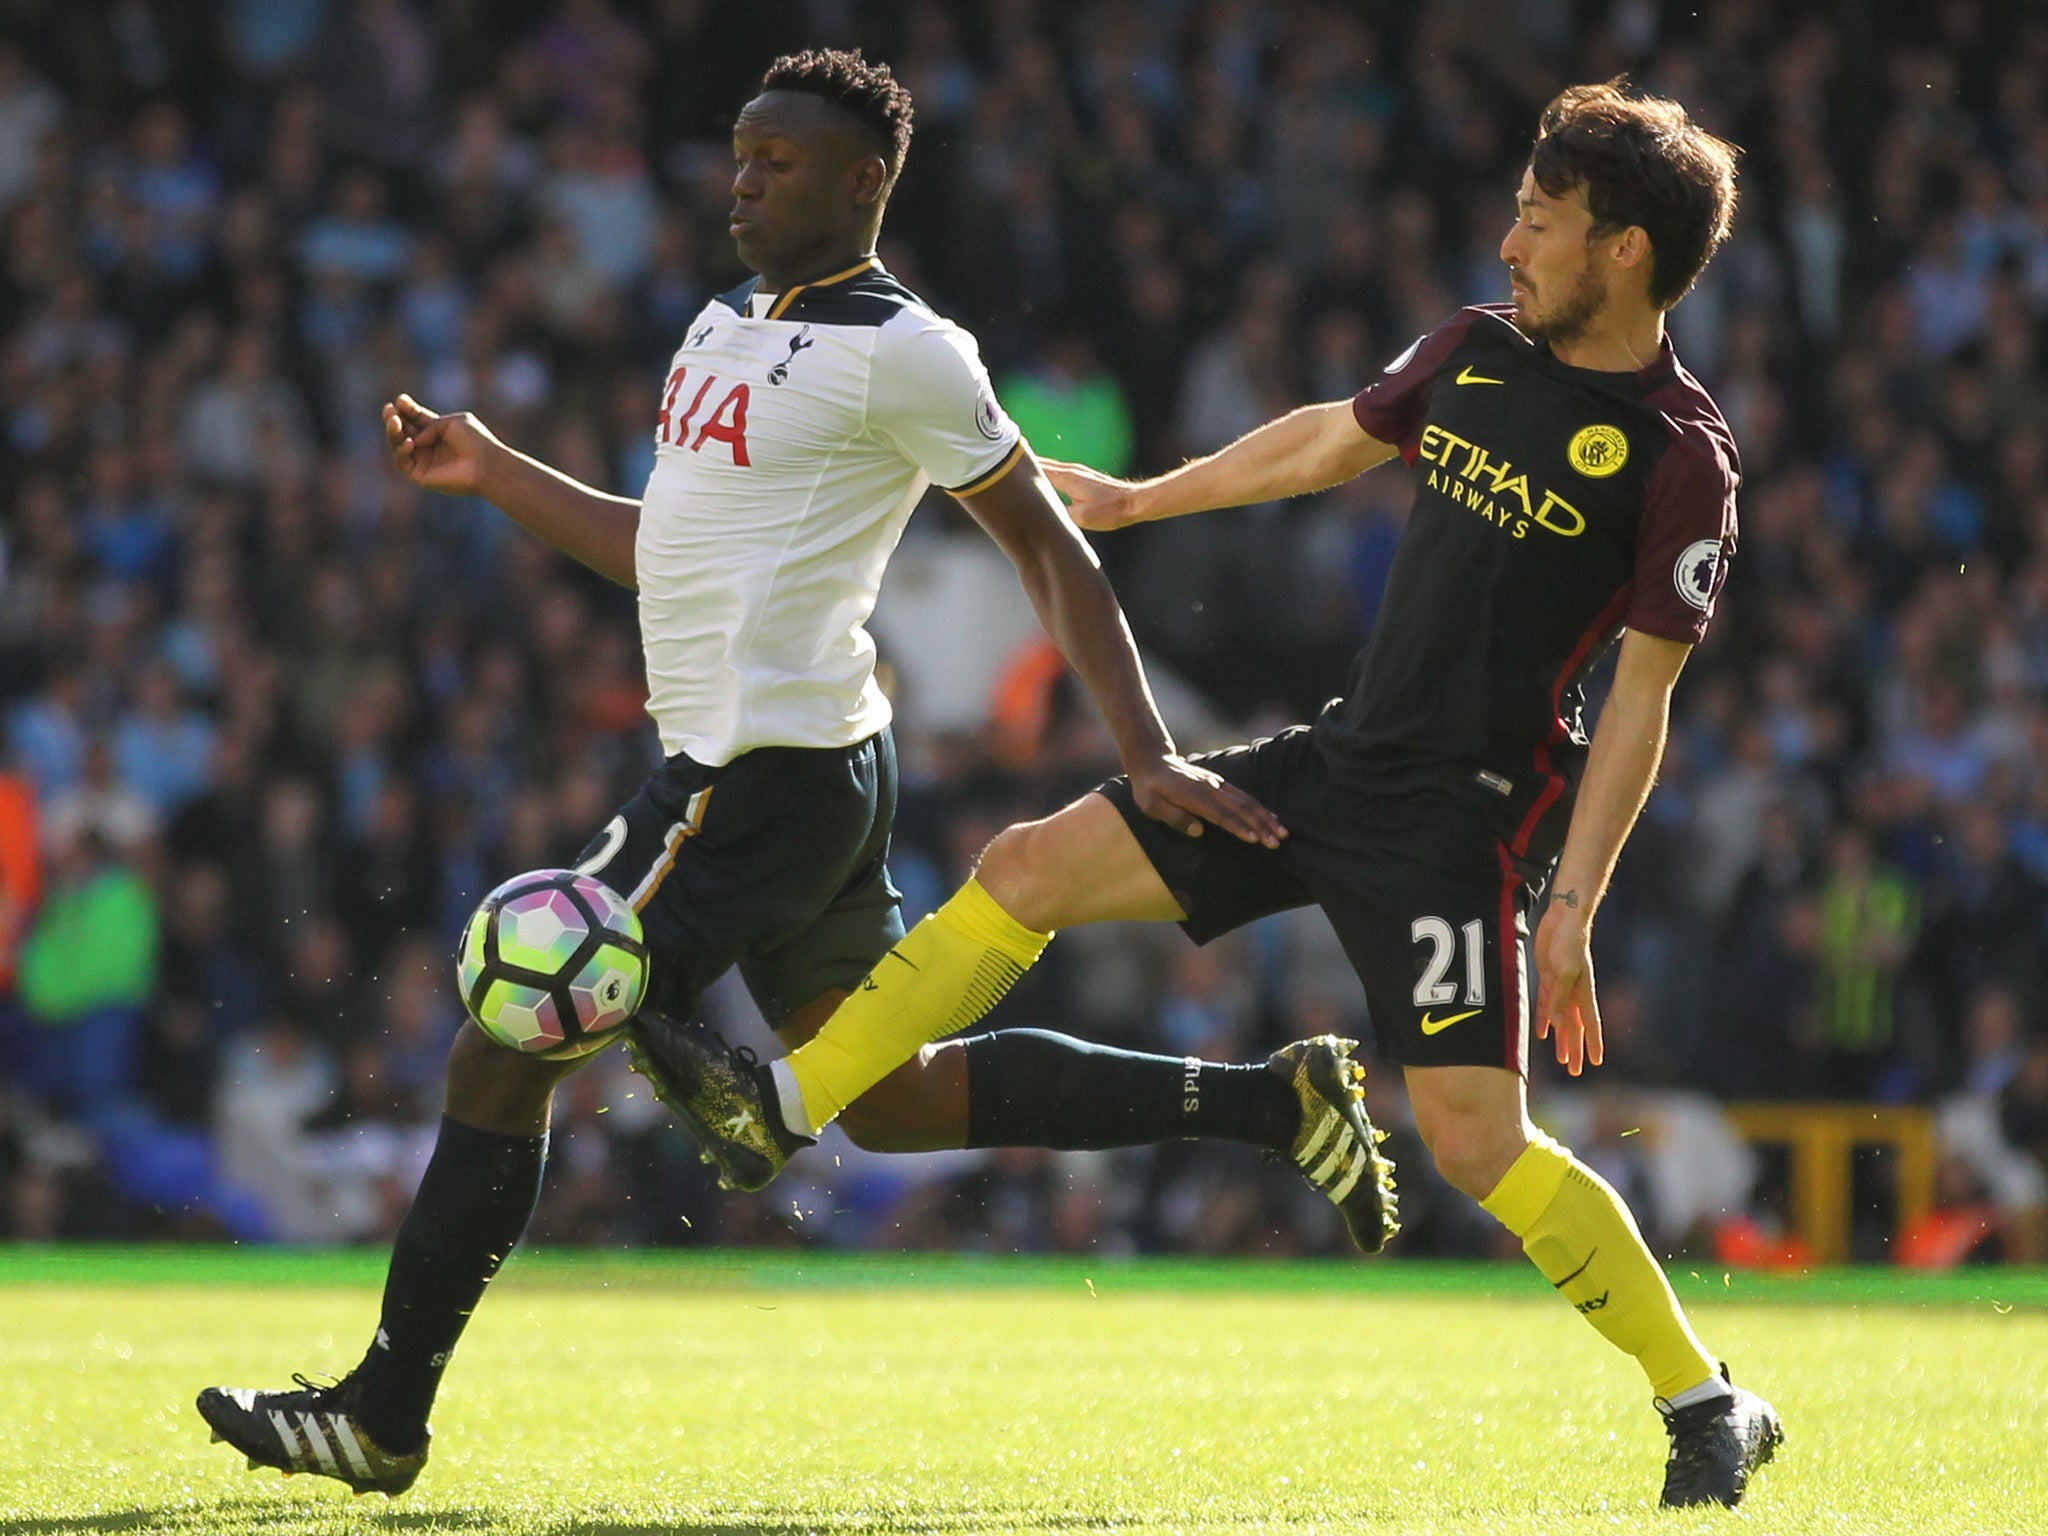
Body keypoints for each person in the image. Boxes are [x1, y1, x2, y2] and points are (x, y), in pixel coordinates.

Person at [195, 48, 1391, 1498]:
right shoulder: (726, 323)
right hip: (808, 758)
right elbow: (669, 550)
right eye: (741, 152)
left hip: (753, 774)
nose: (743, 179)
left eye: (778, 159)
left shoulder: (909, 350)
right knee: (884, 1093)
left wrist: (1146, 757)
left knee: (502, 1048)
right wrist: (498, 469)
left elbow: (1047, 545)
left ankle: (384, 1414)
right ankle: (1273, 1105)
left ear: (865, 180)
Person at [644, 81, 1783, 1509]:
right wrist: (1133, 501)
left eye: (1540, 221)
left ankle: (1705, 1402)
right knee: (1027, 867)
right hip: (1332, 764)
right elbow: (1326, 439)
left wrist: (1572, 910)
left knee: (1479, 1145)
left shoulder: (1683, 459)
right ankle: (787, 1103)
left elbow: (1643, 701)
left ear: (1623, 249)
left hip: (1458, 829)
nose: (1510, 242)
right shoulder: (1478, 352)